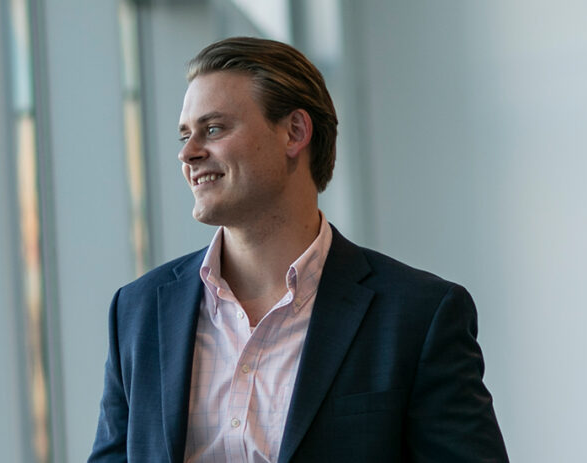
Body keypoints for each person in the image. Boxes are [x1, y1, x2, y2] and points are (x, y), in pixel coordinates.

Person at [88, 37, 508, 462]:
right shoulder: (138, 311)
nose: (188, 153)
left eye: (213, 129)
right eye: (185, 134)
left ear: (295, 132)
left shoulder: (418, 316)